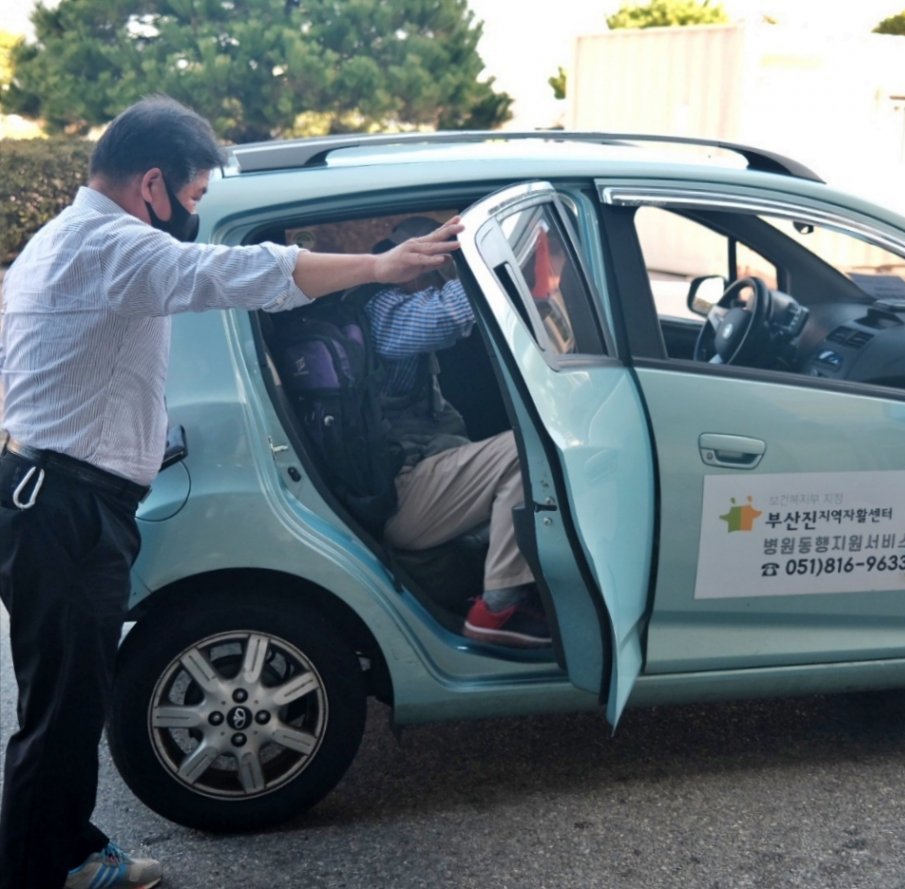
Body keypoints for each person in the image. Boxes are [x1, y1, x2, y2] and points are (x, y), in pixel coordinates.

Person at [0, 96, 461, 889]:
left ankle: (63, 852)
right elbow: (245, 272)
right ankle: (40, 871)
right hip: (65, 506)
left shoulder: (64, 238)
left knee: (65, 701)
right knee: (61, 710)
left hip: (47, 491)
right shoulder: (114, 245)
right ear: (153, 184)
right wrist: (384, 267)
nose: (193, 213)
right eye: (194, 197)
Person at [364, 216, 552, 650]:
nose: (433, 277)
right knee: (530, 450)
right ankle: (496, 610)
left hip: (415, 481)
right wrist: (504, 266)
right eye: (429, 264)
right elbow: (442, 317)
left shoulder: (400, 319)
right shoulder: (379, 311)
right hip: (400, 496)